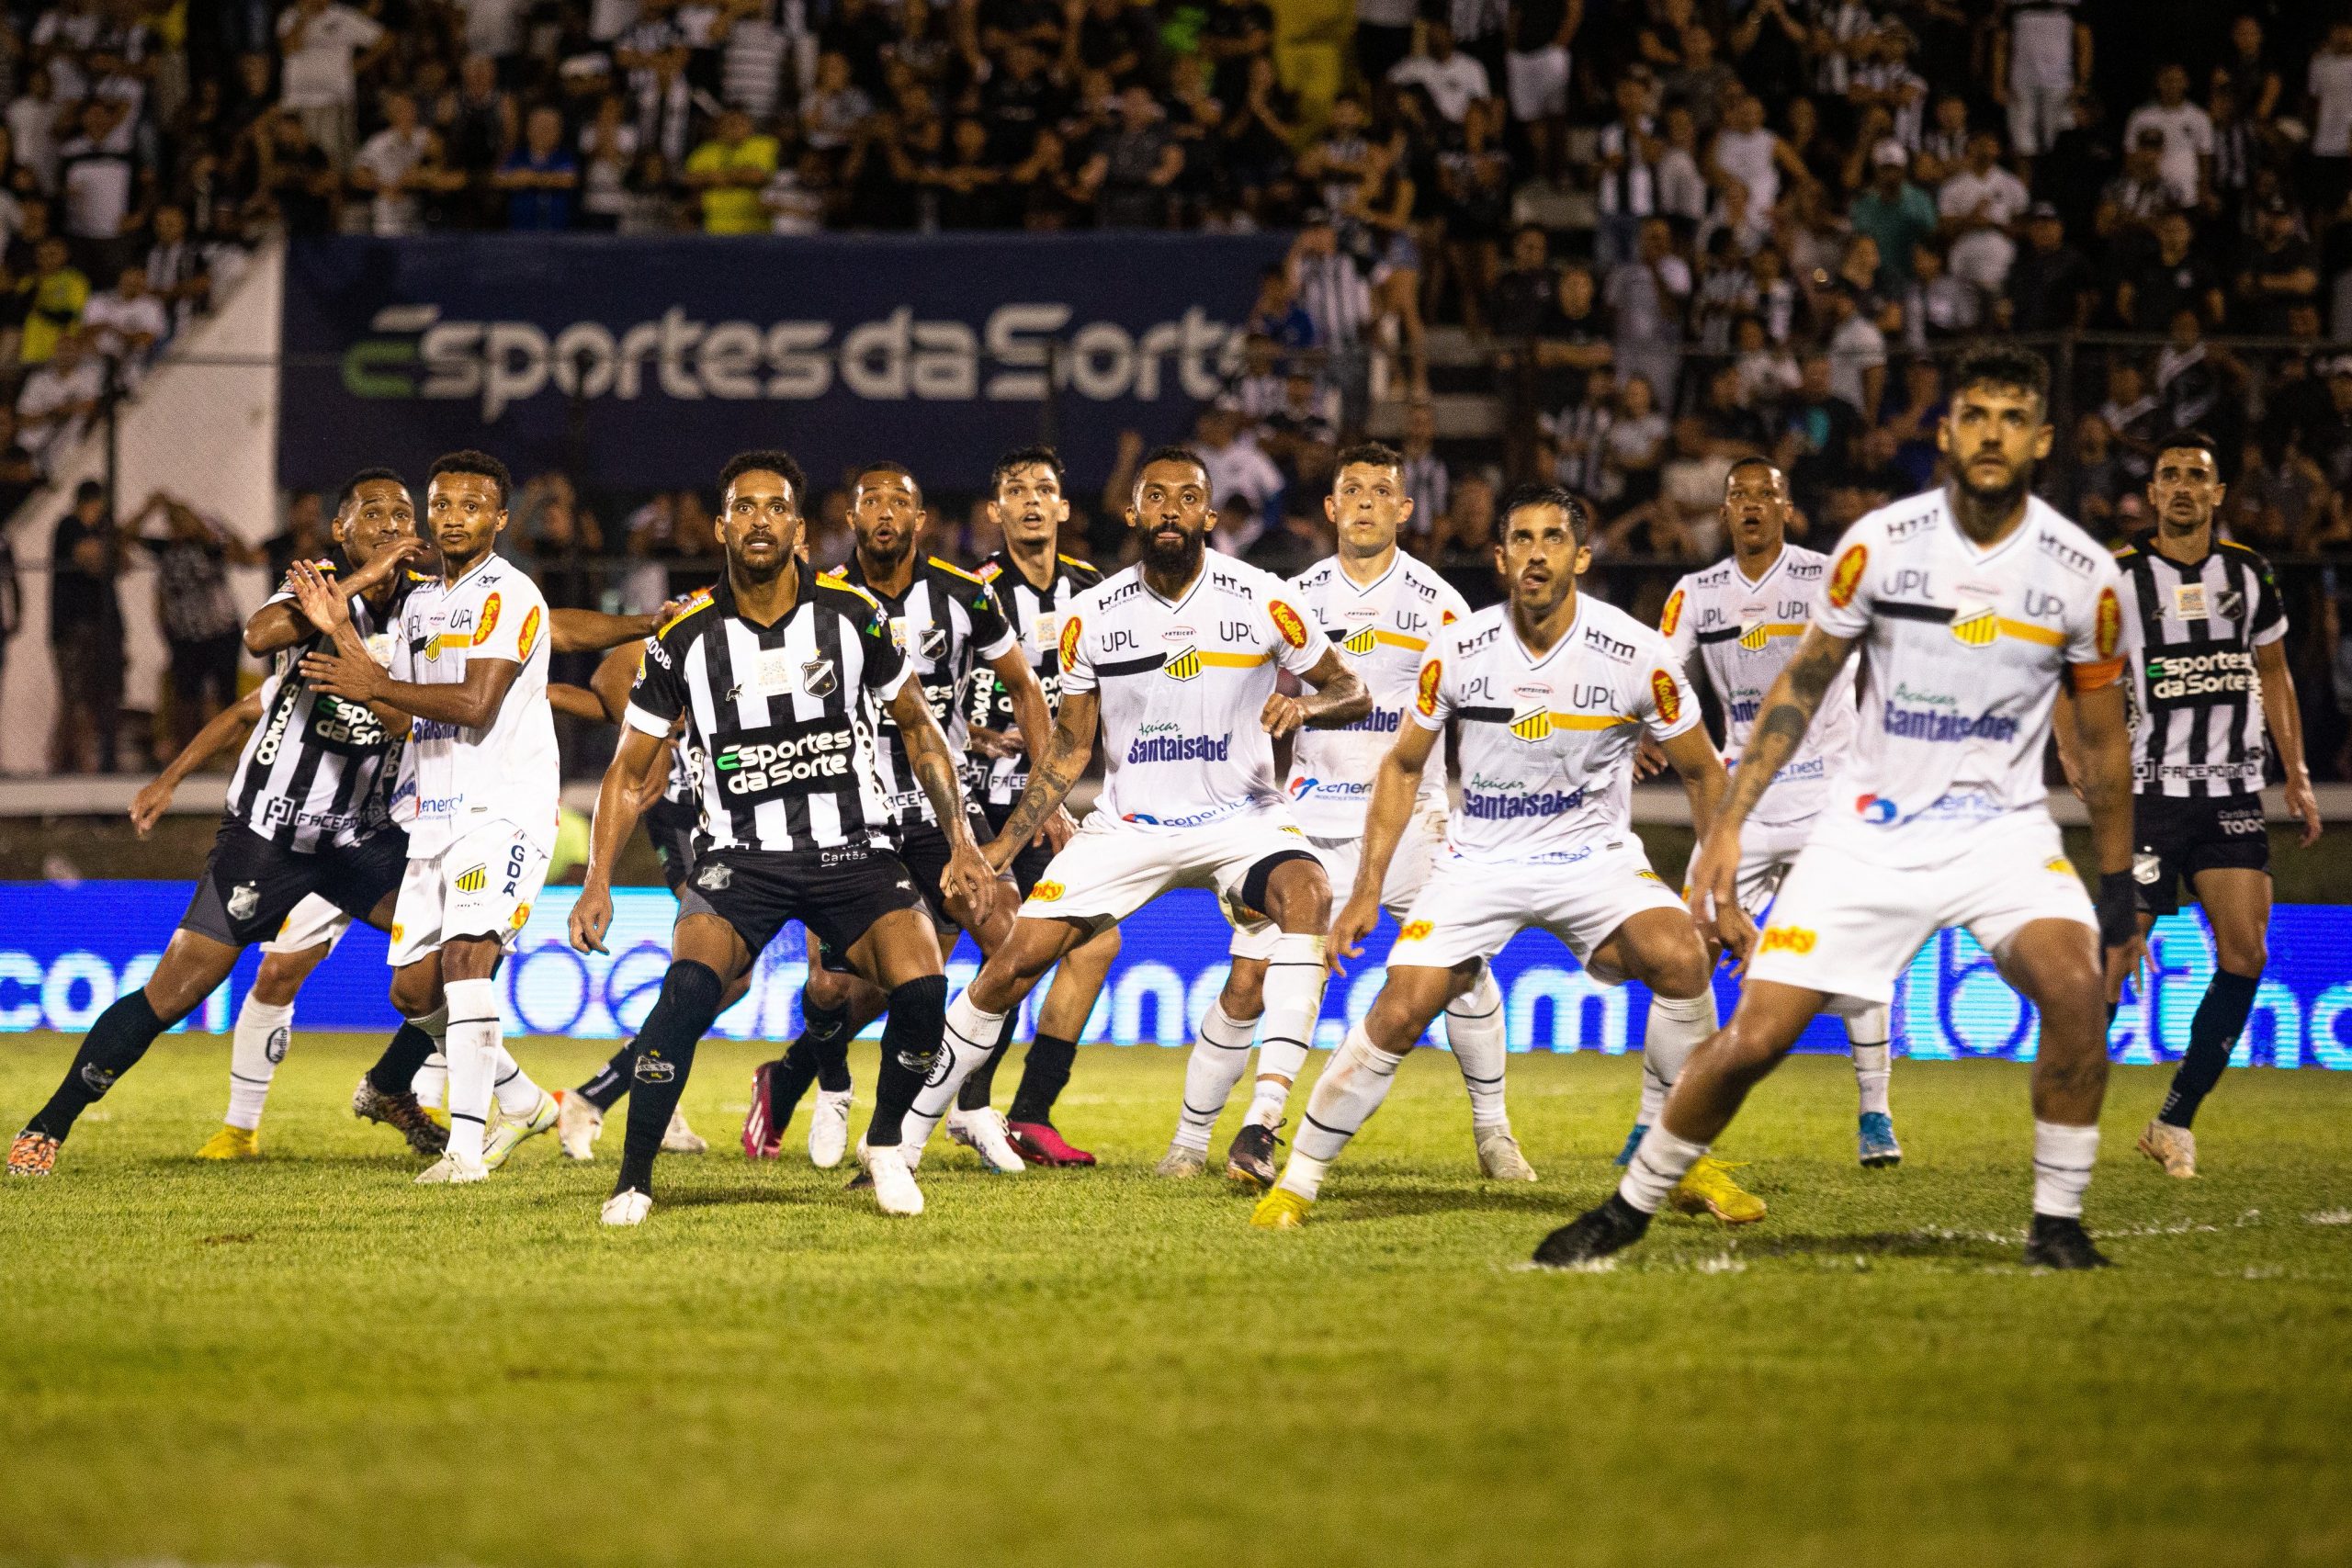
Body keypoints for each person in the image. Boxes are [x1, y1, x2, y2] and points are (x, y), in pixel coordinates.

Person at [1534, 344, 2140, 1271]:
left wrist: (2119, 893)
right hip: (1869, 830)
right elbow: (1802, 684)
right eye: (1976, 416)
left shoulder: (2084, 574)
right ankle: (1629, 1206)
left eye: (2013, 419)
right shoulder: (1880, 547)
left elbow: (2103, 743)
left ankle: (2055, 1222)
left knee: (2073, 992)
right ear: (1946, 433)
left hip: (2003, 832)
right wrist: (1726, 826)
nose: (1993, 434)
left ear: (2042, 439)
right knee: (1755, 1036)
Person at [1249, 482, 1730, 1227]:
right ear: (1500, 558)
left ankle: (1685, 1158)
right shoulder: (1459, 648)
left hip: (1592, 857)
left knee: (1681, 955)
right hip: (1478, 861)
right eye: (1522, 539)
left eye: (1553, 538)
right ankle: (1298, 1181)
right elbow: (1403, 764)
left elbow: (1703, 770)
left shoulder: (1639, 653)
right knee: (1401, 1009)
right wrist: (1369, 887)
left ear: (1583, 556)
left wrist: (1715, 887)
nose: (1537, 554)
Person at [914, 446, 1370, 1184]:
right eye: (1154, 497)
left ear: (1209, 514)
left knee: (1308, 894)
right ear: (1132, 512)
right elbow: (1070, 746)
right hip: (1130, 826)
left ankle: (1261, 1123)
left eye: (1187, 497)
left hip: (1242, 819)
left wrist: (1307, 706)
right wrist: (1002, 847)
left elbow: (1353, 688)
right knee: (1010, 967)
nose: (1170, 510)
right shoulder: (1092, 614)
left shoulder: (1264, 597)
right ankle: (903, 1140)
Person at [569, 448, 994, 1224]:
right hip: (740, 859)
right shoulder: (684, 637)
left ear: (799, 528)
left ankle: (886, 1143)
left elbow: (920, 728)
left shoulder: (853, 616)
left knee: (924, 990)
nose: (759, 519)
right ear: (721, 526)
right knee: (685, 995)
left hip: (853, 850)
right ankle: (632, 1180)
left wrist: (961, 839)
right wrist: (597, 878)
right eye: (744, 506)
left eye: (775, 507)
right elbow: (627, 771)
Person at [7, 472, 440, 1178]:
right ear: (341, 529)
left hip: (359, 836)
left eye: (403, 513)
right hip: (269, 835)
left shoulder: (432, 607)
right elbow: (258, 635)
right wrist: (355, 585)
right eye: (373, 514)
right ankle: (48, 1124)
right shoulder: (317, 579)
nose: (392, 524)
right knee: (172, 993)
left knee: (460, 952)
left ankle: (393, 1083)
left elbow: (405, 719)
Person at [1161, 442, 1534, 1184]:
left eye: (1382, 490)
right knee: (1248, 976)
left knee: (1463, 968)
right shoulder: (1291, 597)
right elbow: (1237, 694)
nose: (1366, 500)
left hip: (1413, 819)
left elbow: (1486, 708)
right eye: (1353, 489)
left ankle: (1494, 1132)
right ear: (1331, 509)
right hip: (1308, 815)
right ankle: (1188, 1141)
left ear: (1405, 508)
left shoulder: (1440, 604)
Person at [737, 461, 1056, 1178]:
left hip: (944, 811)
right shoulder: (818, 599)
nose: (885, 512)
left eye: (899, 502)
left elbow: (1025, 687)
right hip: (851, 811)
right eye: (870, 502)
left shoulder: (966, 595)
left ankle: (966, 1104)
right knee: (834, 988)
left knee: (1013, 944)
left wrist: (1048, 790)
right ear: (849, 519)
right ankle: (832, 1086)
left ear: (921, 519)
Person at [295, 451, 563, 1186]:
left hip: (502, 807)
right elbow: (399, 716)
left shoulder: (510, 593)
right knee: (414, 992)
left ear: (499, 518)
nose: (452, 518)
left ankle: (465, 1153)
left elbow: (475, 704)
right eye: (441, 504)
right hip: (433, 814)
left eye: (471, 506)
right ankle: (523, 1101)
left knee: (467, 961)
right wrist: (342, 633)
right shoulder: (418, 606)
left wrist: (373, 677)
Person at [2069, 433, 2322, 1179]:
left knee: (2247, 952)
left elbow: (2273, 672)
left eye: (2197, 476)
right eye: (2169, 475)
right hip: (2150, 794)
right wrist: (2074, 751)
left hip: (2231, 792)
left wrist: (2298, 773)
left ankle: (2173, 1121)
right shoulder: (2119, 576)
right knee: (2116, 954)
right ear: (2152, 493)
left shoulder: (2248, 572)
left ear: (2217, 493)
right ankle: (2067, 1111)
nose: (2182, 486)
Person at [1653, 457, 1901, 1168]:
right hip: (1745, 800)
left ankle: (1875, 1112)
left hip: (1831, 791)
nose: (1753, 504)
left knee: (1857, 947)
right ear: (1724, 512)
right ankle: (1654, 1118)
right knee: (1686, 948)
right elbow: (1660, 675)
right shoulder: (1696, 592)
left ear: (1787, 507)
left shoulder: (1830, 576)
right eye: (1740, 495)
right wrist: (1644, 728)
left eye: (1767, 493)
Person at [943, 447, 1125, 1166]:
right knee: (860, 986)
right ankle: (798, 1078)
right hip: (970, 803)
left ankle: (1027, 1111)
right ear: (995, 511)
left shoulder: (1094, 591)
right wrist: (982, 734)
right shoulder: (970, 592)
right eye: (1015, 491)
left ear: (1064, 507)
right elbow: (926, 697)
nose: (1030, 501)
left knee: (1096, 941)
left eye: (1044, 489)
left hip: (1046, 804)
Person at [132, 491, 263, 756]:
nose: (178, 528)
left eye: (182, 522)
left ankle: (230, 752)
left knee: (226, 694)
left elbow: (244, 555)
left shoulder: (208, 547)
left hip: (221, 632)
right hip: (185, 636)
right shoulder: (166, 550)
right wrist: (149, 508)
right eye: (174, 523)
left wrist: (202, 522)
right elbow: (126, 537)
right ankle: (189, 751)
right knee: (186, 696)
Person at [48, 475, 124, 773]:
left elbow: (123, 561)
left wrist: (112, 550)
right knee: (74, 699)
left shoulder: (102, 531)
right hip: (73, 627)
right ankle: (75, 765)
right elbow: (92, 560)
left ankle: (76, 763)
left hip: (101, 627)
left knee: (98, 697)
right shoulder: (69, 526)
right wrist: (109, 552)